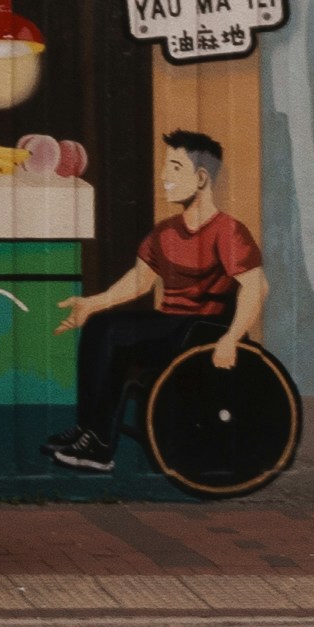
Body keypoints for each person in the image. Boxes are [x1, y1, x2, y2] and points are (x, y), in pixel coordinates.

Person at [51, 126, 267, 474]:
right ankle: (90, 430)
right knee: (100, 325)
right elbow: (139, 280)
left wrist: (230, 338)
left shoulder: (227, 231)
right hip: (171, 330)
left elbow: (256, 288)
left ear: (200, 178)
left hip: (204, 330)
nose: (164, 176)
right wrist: (94, 302)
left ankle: (100, 445)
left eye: (175, 168)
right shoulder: (165, 232)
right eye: (166, 166)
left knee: (112, 332)